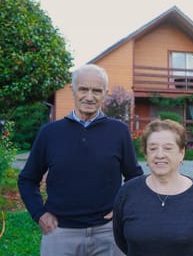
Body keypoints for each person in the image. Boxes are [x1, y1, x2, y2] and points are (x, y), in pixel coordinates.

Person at [18, 64, 144, 256]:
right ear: (73, 91)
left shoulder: (119, 131)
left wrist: (122, 210)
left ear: (105, 93)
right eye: (83, 89)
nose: (89, 96)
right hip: (60, 233)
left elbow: (134, 177)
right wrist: (39, 213)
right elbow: (27, 179)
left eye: (97, 90)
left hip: (108, 233)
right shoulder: (50, 133)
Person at [113, 119, 193, 256]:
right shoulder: (127, 192)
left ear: (181, 153)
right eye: (153, 148)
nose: (159, 155)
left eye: (168, 148)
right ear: (146, 154)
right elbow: (120, 239)